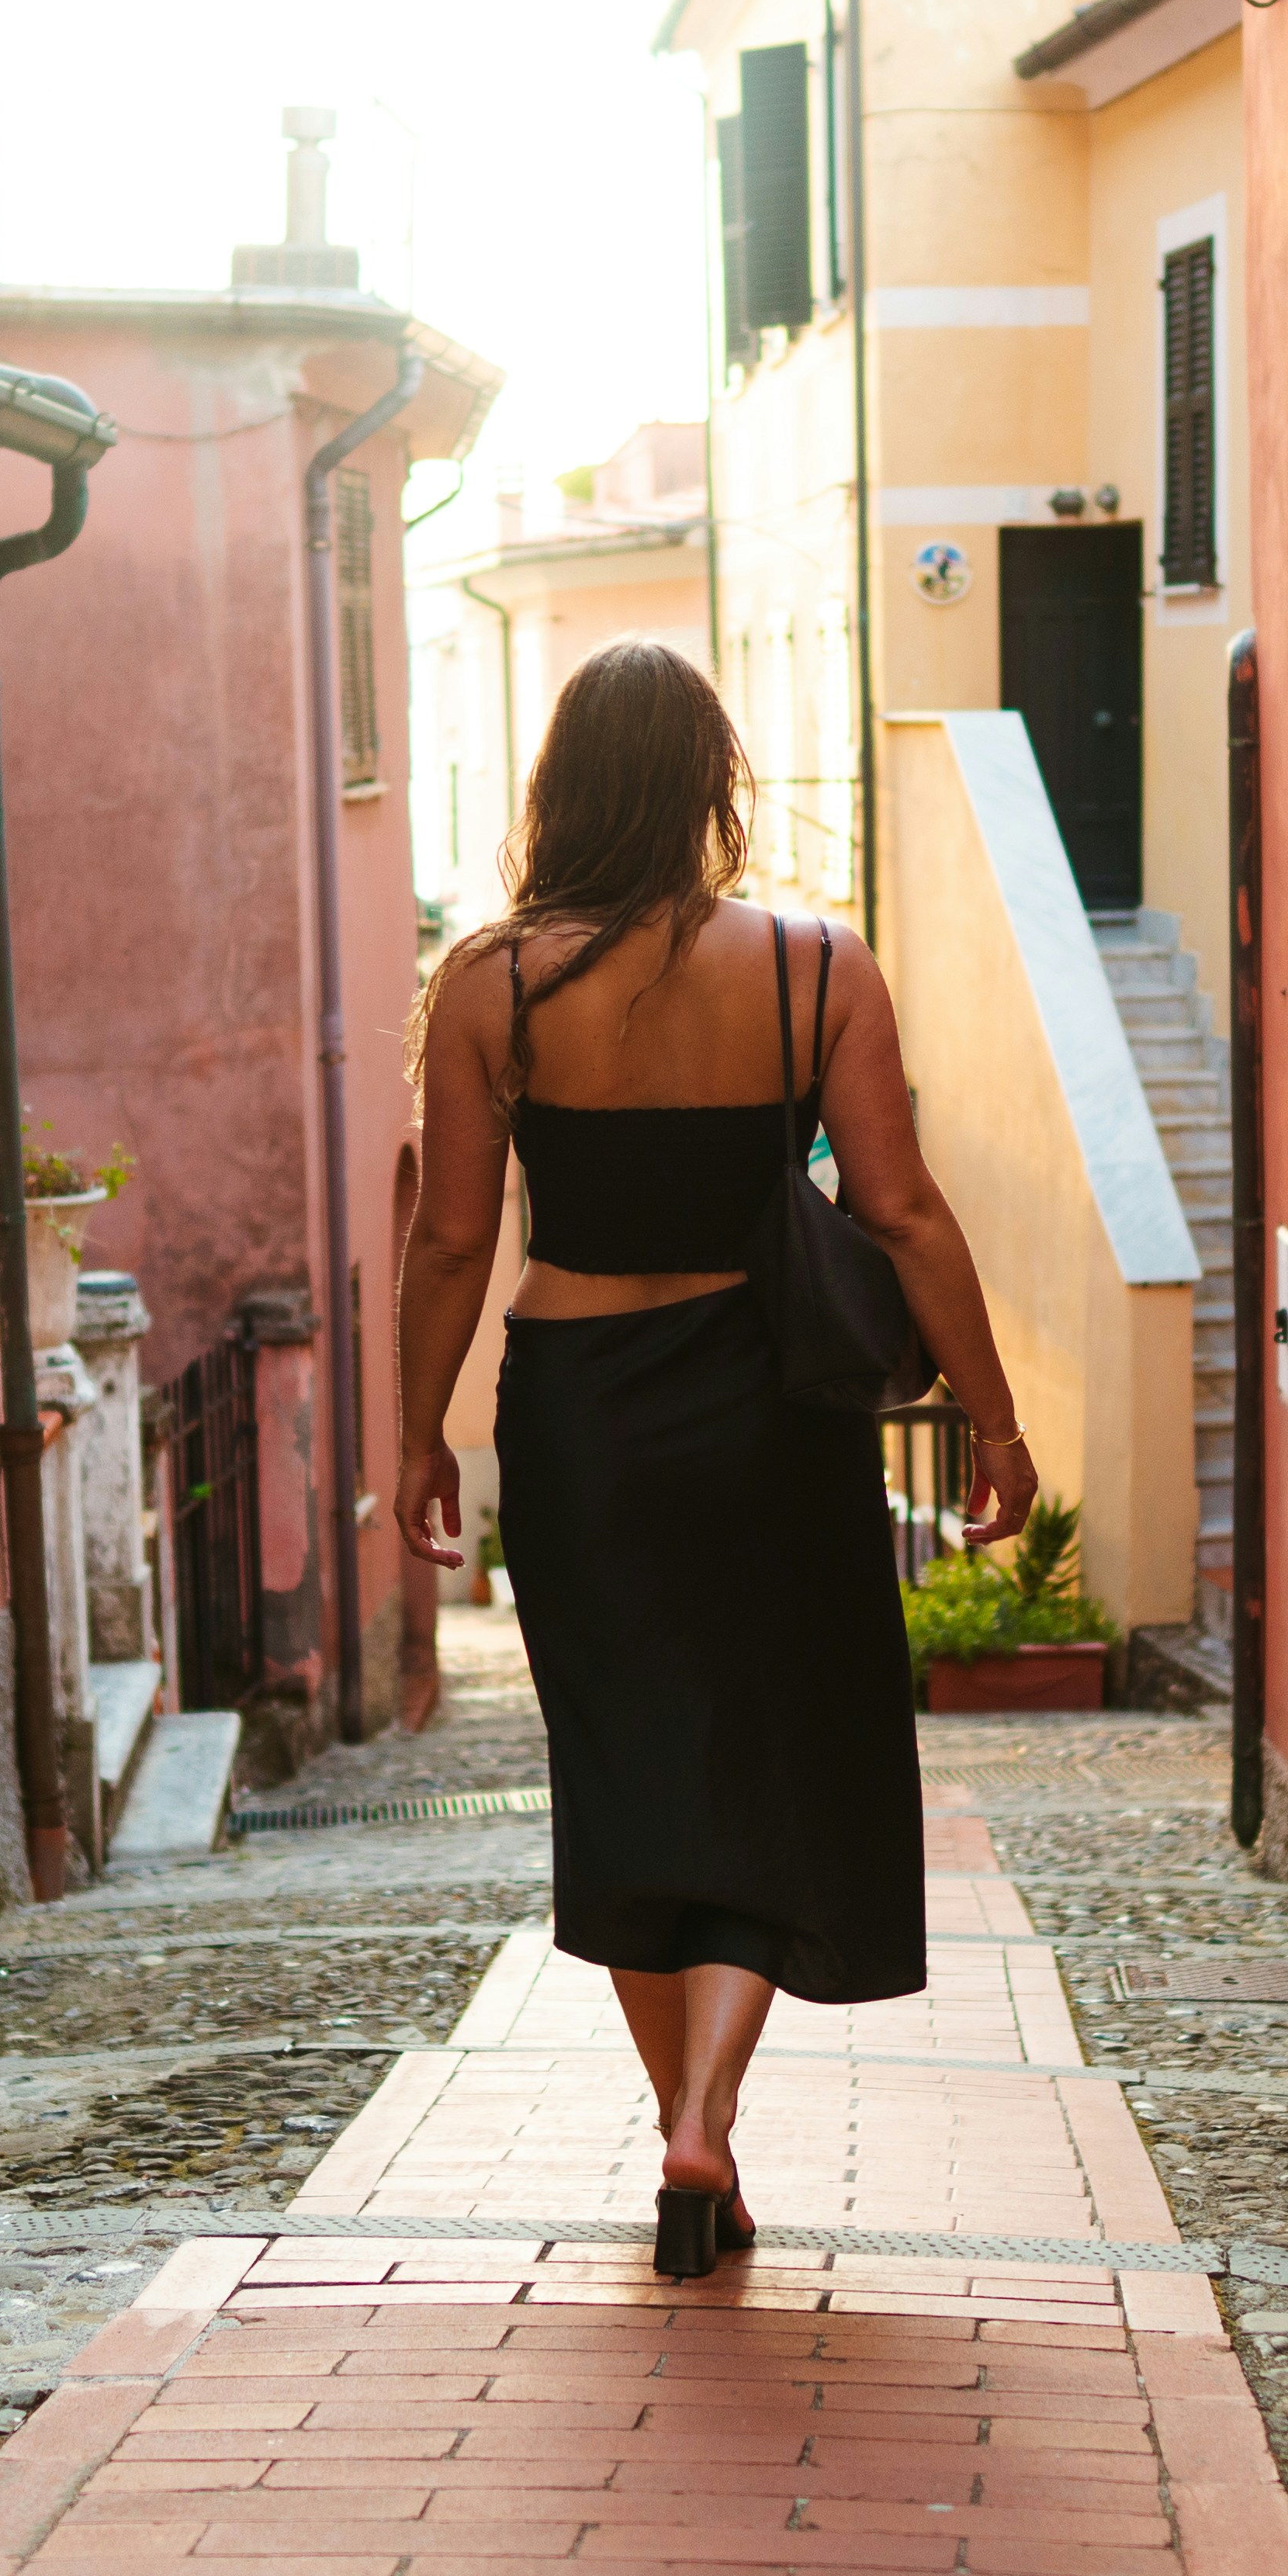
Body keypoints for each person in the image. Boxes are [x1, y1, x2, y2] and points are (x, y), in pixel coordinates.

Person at [393, 641, 1025, 2281]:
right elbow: (902, 1210)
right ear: (708, 786)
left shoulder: (489, 989)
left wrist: (414, 1437)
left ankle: (678, 2115)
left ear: (559, 789)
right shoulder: (819, 968)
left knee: (627, 1764)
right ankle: (708, 2121)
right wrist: (995, 1417)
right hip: (769, 1414)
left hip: (581, 1413)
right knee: (774, 1751)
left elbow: (453, 1238)